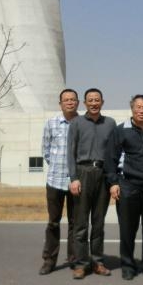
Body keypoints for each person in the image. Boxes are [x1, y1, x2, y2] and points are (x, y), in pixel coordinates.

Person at [105, 94, 143, 280]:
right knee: (127, 229)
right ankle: (128, 266)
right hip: (128, 187)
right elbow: (110, 158)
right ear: (132, 109)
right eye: (138, 107)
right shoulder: (120, 130)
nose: (141, 110)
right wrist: (113, 183)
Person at [67, 87, 116, 279]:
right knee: (80, 224)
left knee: (98, 223)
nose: (94, 103)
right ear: (85, 103)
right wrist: (74, 178)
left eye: (97, 100)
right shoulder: (77, 123)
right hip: (83, 173)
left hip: (103, 175)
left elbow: (114, 153)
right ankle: (81, 264)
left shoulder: (110, 123)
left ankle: (97, 262)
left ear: (102, 102)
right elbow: (70, 153)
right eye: (90, 100)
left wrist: (113, 179)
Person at [39, 88, 79, 275]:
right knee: (53, 222)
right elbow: (46, 150)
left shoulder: (83, 123)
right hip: (55, 181)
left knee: (75, 223)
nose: (69, 102)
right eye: (66, 100)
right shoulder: (51, 123)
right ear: (60, 103)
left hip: (76, 182)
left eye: (73, 99)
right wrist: (56, 166)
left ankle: (74, 259)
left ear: (77, 102)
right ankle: (49, 260)